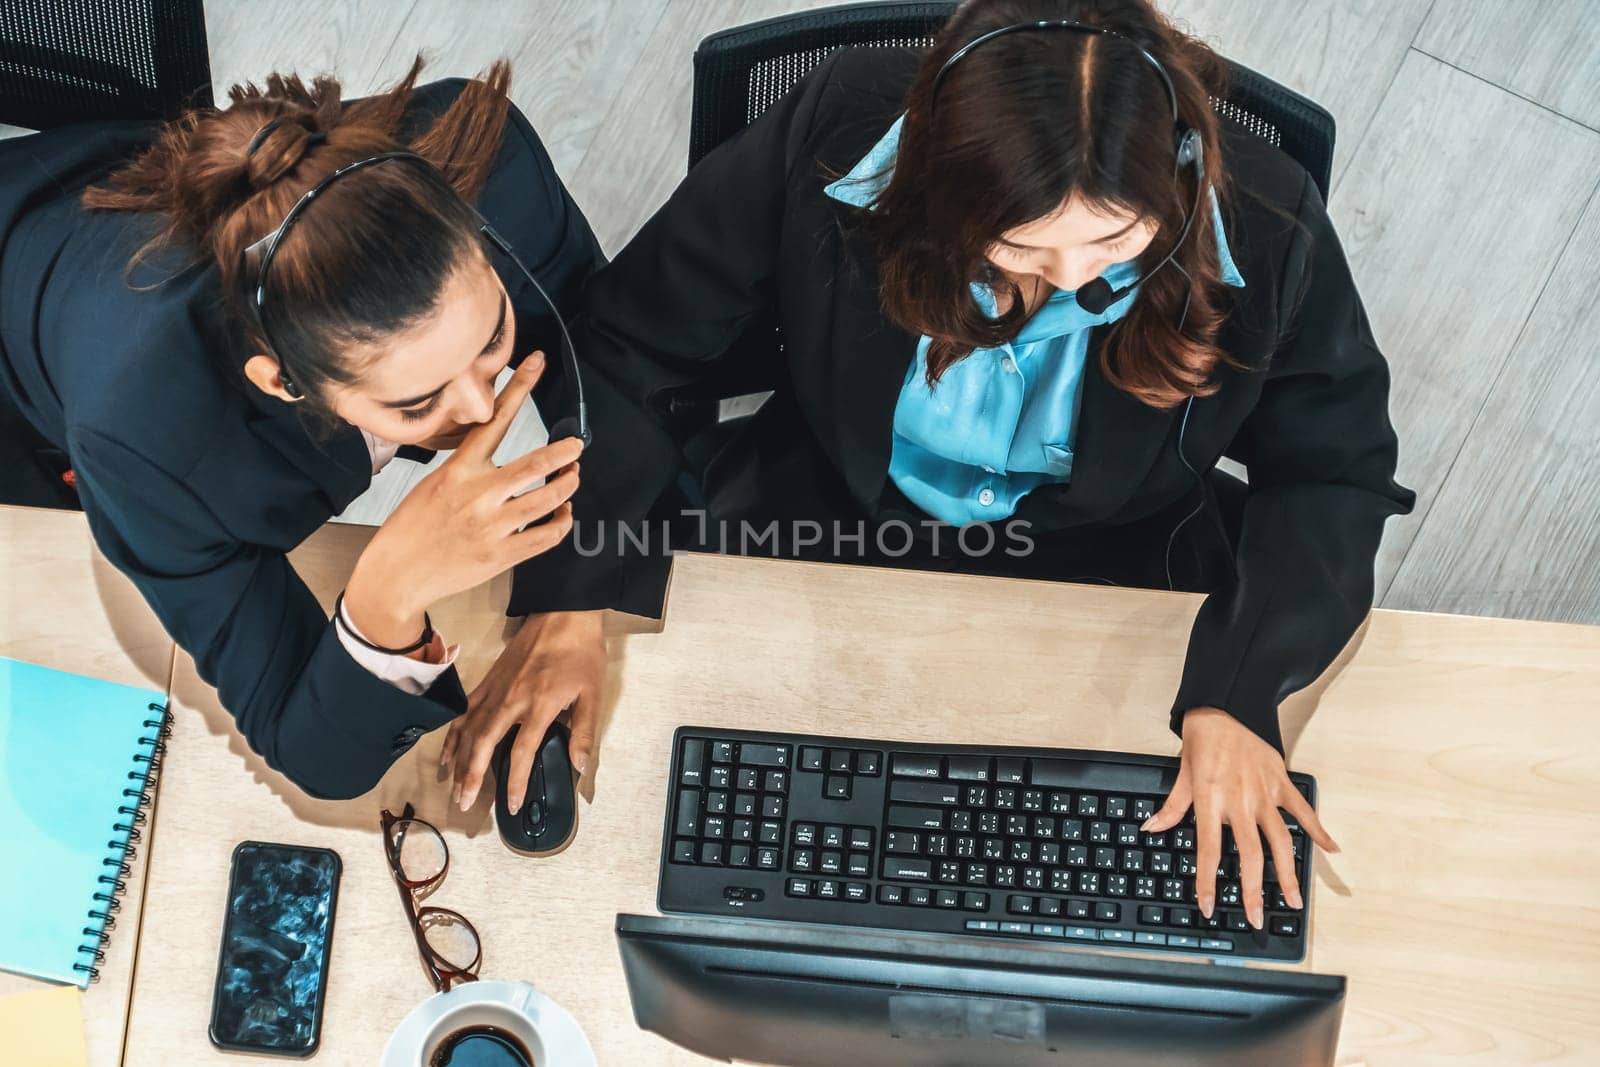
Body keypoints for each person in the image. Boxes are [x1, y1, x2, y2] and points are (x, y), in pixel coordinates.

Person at [467, 0, 1416, 929]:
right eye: (1024, 246)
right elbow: (632, 344)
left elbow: (1332, 469)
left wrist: (1243, 691)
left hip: (1114, 557)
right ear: (936, 187)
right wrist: (570, 594)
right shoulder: (836, 131)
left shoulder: (1266, 216)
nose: (1076, 282)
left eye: (1116, 241)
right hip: (820, 513)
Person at [0, 58, 640, 805]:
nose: (477, 407)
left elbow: (629, 362)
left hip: (114, 179)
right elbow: (309, 752)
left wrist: (575, 596)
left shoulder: (496, 168)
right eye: (416, 402)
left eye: (493, 334)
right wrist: (386, 587)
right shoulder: (145, 438)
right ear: (285, 381)